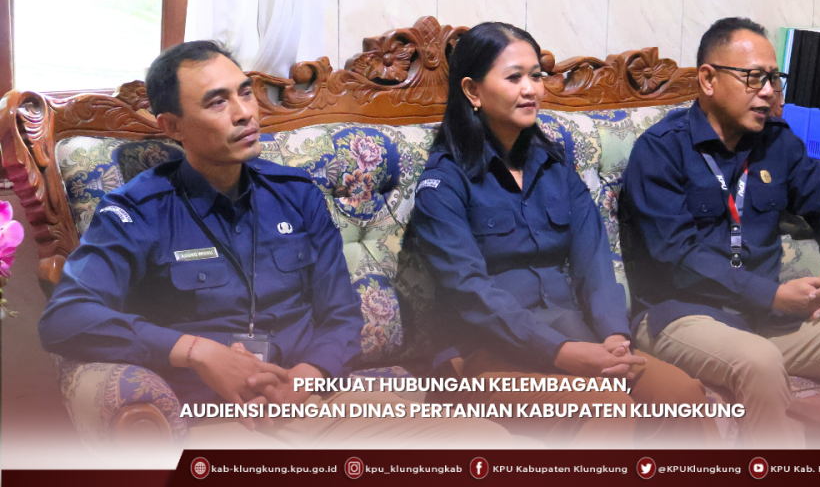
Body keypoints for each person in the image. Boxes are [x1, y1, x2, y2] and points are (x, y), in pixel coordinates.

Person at [38, 40, 516, 449]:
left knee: (491, 446)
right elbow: (65, 316)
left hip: (318, 401)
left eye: (245, 92)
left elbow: (342, 315)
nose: (245, 112)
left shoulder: (295, 194)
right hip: (215, 417)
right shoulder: (140, 210)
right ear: (172, 127)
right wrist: (199, 352)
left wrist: (306, 378)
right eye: (217, 102)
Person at [405, 22, 720, 448]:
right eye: (514, 77)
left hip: (576, 336)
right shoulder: (444, 183)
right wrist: (560, 351)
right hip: (485, 355)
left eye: (536, 75)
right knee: (609, 409)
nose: (530, 89)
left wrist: (613, 335)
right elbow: (470, 291)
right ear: (473, 91)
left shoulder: (554, 167)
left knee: (681, 397)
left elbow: (595, 261)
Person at [620, 17, 820, 447]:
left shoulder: (777, 142)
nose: (768, 91)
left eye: (774, 78)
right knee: (760, 361)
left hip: (766, 317)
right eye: (754, 78)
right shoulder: (661, 151)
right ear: (708, 79)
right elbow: (677, 257)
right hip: (682, 314)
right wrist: (771, 294)